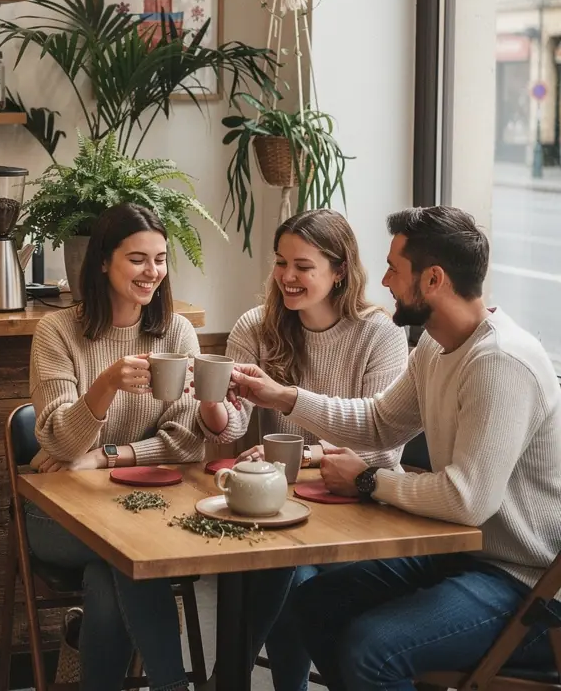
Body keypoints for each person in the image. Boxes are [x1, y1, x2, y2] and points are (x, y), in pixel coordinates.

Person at [230, 206, 561, 691]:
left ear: (432, 279)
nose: (382, 280)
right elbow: (379, 421)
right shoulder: (435, 346)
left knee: (374, 648)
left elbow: (468, 501)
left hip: (523, 583)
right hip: (461, 555)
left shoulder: (499, 363)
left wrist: (369, 481)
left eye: (393, 269)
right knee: (314, 606)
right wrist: (284, 397)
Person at [27, 203, 231, 691]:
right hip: (57, 511)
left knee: (108, 575)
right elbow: (58, 438)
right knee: (128, 553)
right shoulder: (57, 332)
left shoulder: (175, 331)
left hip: (139, 505)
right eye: (138, 258)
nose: (152, 272)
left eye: (160, 259)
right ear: (103, 261)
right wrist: (106, 385)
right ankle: (170, 684)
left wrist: (104, 457)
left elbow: (185, 445)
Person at [219, 210, 409, 691]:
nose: (287, 277)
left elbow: (384, 449)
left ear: (339, 269)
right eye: (281, 262)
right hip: (283, 509)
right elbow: (231, 426)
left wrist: (300, 457)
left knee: (291, 569)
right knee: (293, 569)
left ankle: (227, 677)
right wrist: (209, 404)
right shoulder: (256, 328)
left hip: (360, 511)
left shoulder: (379, 334)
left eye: (303, 266)